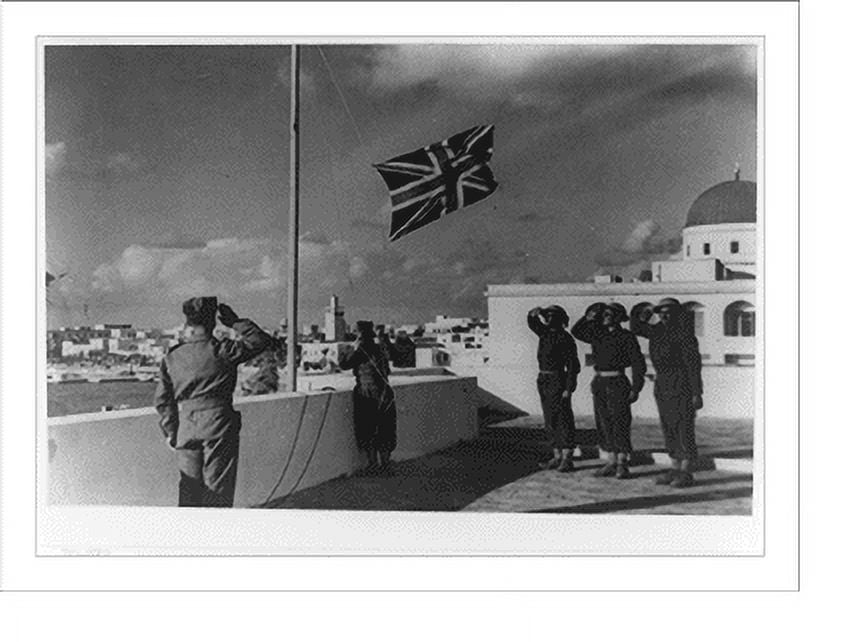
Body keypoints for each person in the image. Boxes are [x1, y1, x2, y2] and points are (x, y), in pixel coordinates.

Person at [154, 298, 272, 507]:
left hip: (186, 428)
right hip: (219, 425)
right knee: (218, 492)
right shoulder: (223, 350)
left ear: (187, 324)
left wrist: (172, 433)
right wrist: (235, 322)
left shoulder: (172, 357)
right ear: (212, 323)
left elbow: (163, 401)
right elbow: (260, 341)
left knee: (189, 492)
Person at [631, 297, 704, 488]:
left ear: (676, 313)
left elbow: (693, 366)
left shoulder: (684, 334)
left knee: (683, 427)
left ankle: (686, 471)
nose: (663, 314)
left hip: (682, 384)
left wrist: (697, 393)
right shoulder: (657, 331)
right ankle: (674, 467)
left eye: (668, 311)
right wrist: (645, 314)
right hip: (662, 384)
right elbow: (636, 327)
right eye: (660, 311)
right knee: (668, 426)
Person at [571, 302, 646, 479]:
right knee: (603, 423)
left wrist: (636, 388)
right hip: (600, 382)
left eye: (610, 314)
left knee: (620, 422)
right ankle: (611, 461)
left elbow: (638, 363)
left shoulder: (626, 336)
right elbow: (577, 332)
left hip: (618, 382)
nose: (606, 317)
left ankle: (622, 463)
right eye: (604, 314)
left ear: (619, 317)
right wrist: (588, 316)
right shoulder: (597, 334)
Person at [527, 305, 581, 472]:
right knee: (550, 419)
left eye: (552, 316)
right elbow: (532, 322)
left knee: (563, 418)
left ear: (559, 319)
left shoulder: (565, 338)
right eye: (547, 317)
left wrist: (568, 388)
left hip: (558, 379)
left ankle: (567, 458)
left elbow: (573, 366)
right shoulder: (544, 334)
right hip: (544, 379)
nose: (548, 319)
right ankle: (556, 455)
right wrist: (535, 312)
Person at [339, 320, 398, 475]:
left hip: (367, 394)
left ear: (359, 334)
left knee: (368, 429)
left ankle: (372, 465)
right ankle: (385, 464)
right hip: (385, 394)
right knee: (385, 430)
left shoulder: (361, 350)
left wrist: (349, 349)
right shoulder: (379, 348)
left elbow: (344, 364)